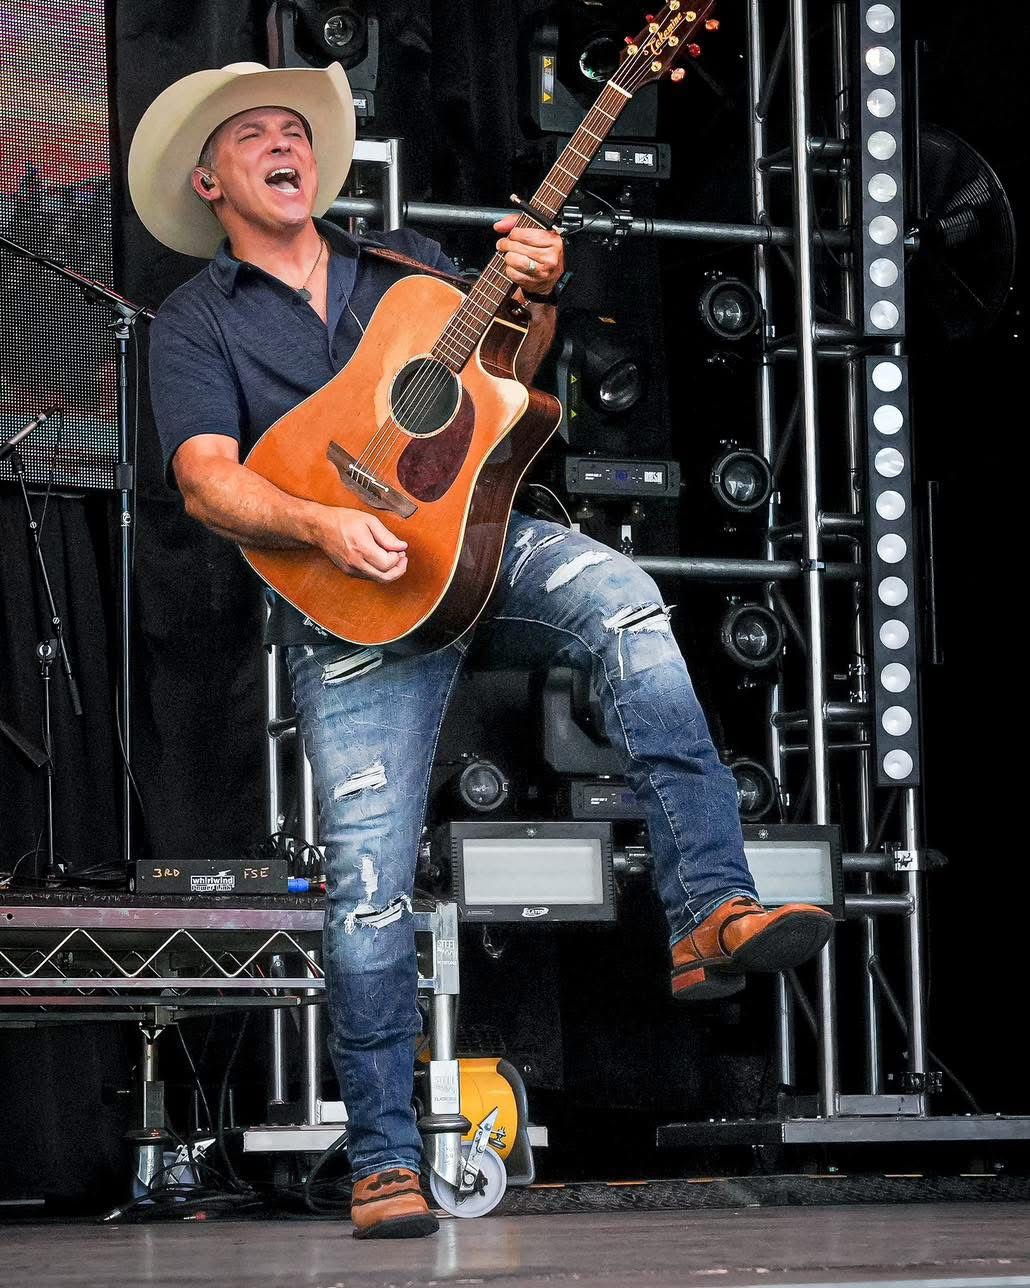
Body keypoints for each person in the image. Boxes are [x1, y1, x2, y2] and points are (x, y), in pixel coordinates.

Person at [129, 60, 833, 1239]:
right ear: (210, 182)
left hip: (475, 549)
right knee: (367, 888)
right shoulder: (197, 320)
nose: (284, 144)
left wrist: (538, 293)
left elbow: (505, 382)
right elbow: (207, 480)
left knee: (624, 596)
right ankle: (383, 1161)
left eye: (294, 128)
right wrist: (322, 524)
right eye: (252, 135)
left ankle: (710, 905)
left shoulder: (405, 266)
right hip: (346, 604)